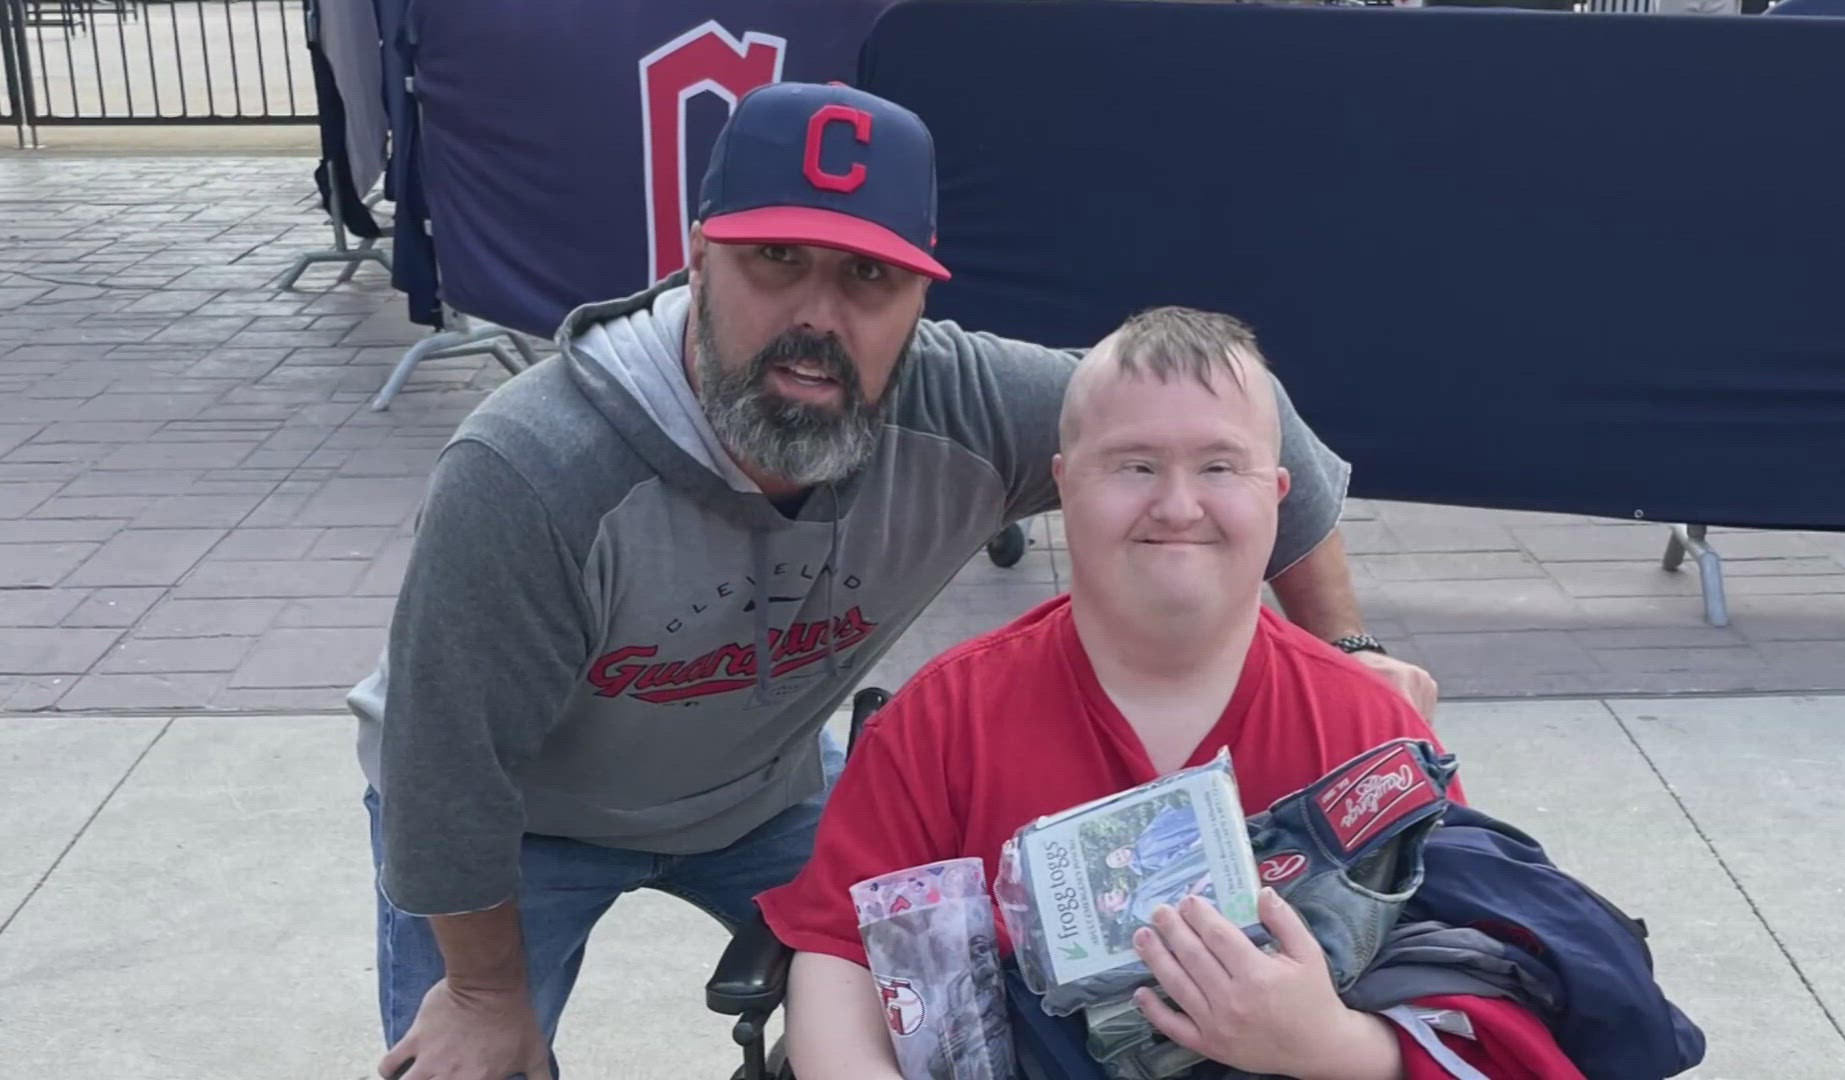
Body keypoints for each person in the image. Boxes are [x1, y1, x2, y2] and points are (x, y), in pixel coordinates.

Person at [349, 81, 1434, 1080]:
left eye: (869, 277)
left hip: (758, 789)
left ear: (919, 293)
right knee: (476, 1059)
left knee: (914, 994)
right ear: (696, 257)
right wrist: (487, 996)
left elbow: (1243, 418)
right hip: (517, 819)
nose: (821, 315)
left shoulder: (963, 403)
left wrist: (1349, 656)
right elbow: (443, 766)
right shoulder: (535, 470)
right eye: (777, 258)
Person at [756, 306, 1580, 1078]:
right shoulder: (946, 715)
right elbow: (842, 953)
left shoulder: (1368, 727)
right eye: (1135, 465)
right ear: (1064, 484)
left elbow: (1475, 996)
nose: (1178, 506)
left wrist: (1329, 1042)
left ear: (1278, 496)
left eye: (1220, 466)